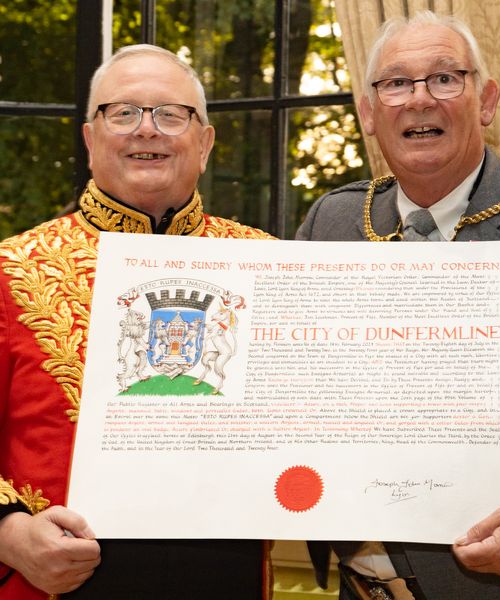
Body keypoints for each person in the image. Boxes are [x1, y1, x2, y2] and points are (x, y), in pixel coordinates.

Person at [297, 10, 500, 600]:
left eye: (445, 78)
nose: (419, 100)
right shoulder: (330, 222)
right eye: (395, 83)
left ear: (486, 100)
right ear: (367, 112)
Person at [0, 44, 274, 600]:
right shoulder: (10, 270)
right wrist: (6, 533)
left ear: (205, 142)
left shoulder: (271, 264)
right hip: (51, 584)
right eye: (122, 113)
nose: (146, 130)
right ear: (89, 137)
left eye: (171, 115)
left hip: (226, 579)